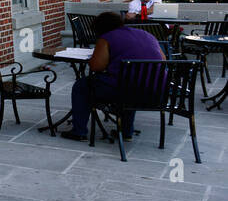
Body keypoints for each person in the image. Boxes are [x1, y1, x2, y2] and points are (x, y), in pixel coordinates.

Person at [61, 11, 164, 143]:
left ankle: (79, 131)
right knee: (130, 82)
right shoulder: (147, 35)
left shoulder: (107, 38)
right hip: (156, 92)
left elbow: (96, 67)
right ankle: (126, 132)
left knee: (82, 86)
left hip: (125, 91)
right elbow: (163, 59)